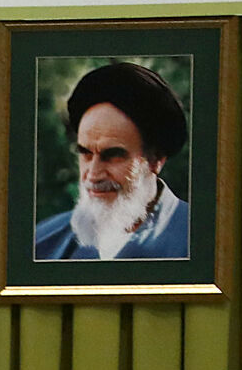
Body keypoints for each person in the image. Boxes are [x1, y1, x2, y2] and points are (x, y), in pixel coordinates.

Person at [33, 60, 191, 262]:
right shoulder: (42, 242)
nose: (93, 175)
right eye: (86, 153)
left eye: (113, 155)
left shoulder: (203, 240)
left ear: (156, 159)